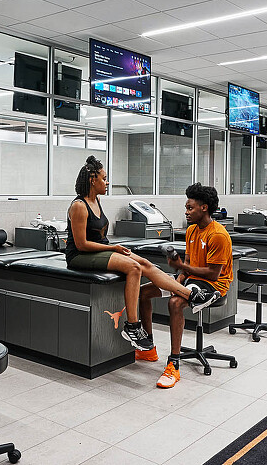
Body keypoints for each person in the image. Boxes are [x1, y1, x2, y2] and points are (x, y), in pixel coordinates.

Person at [65, 157, 220, 352]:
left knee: (146, 263)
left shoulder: (96, 200)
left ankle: (192, 296)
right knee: (134, 267)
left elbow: (98, 237)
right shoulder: (79, 206)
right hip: (79, 256)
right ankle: (132, 325)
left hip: (100, 249)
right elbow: (81, 244)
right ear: (92, 180)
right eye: (104, 178)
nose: (107, 182)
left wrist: (112, 248)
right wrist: (113, 248)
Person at [139, 183, 234, 389]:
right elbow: (189, 266)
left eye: (190, 208)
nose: (186, 212)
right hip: (191, 280)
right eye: (186, 208)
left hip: (214, 285)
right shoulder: (191, 231)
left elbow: (213, 273)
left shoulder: (218, 235)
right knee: (144, 292)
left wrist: (181, 267)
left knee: (175, 303)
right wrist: (179, 278)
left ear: (204, 208)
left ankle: (174, 364)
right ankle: (148, 349)